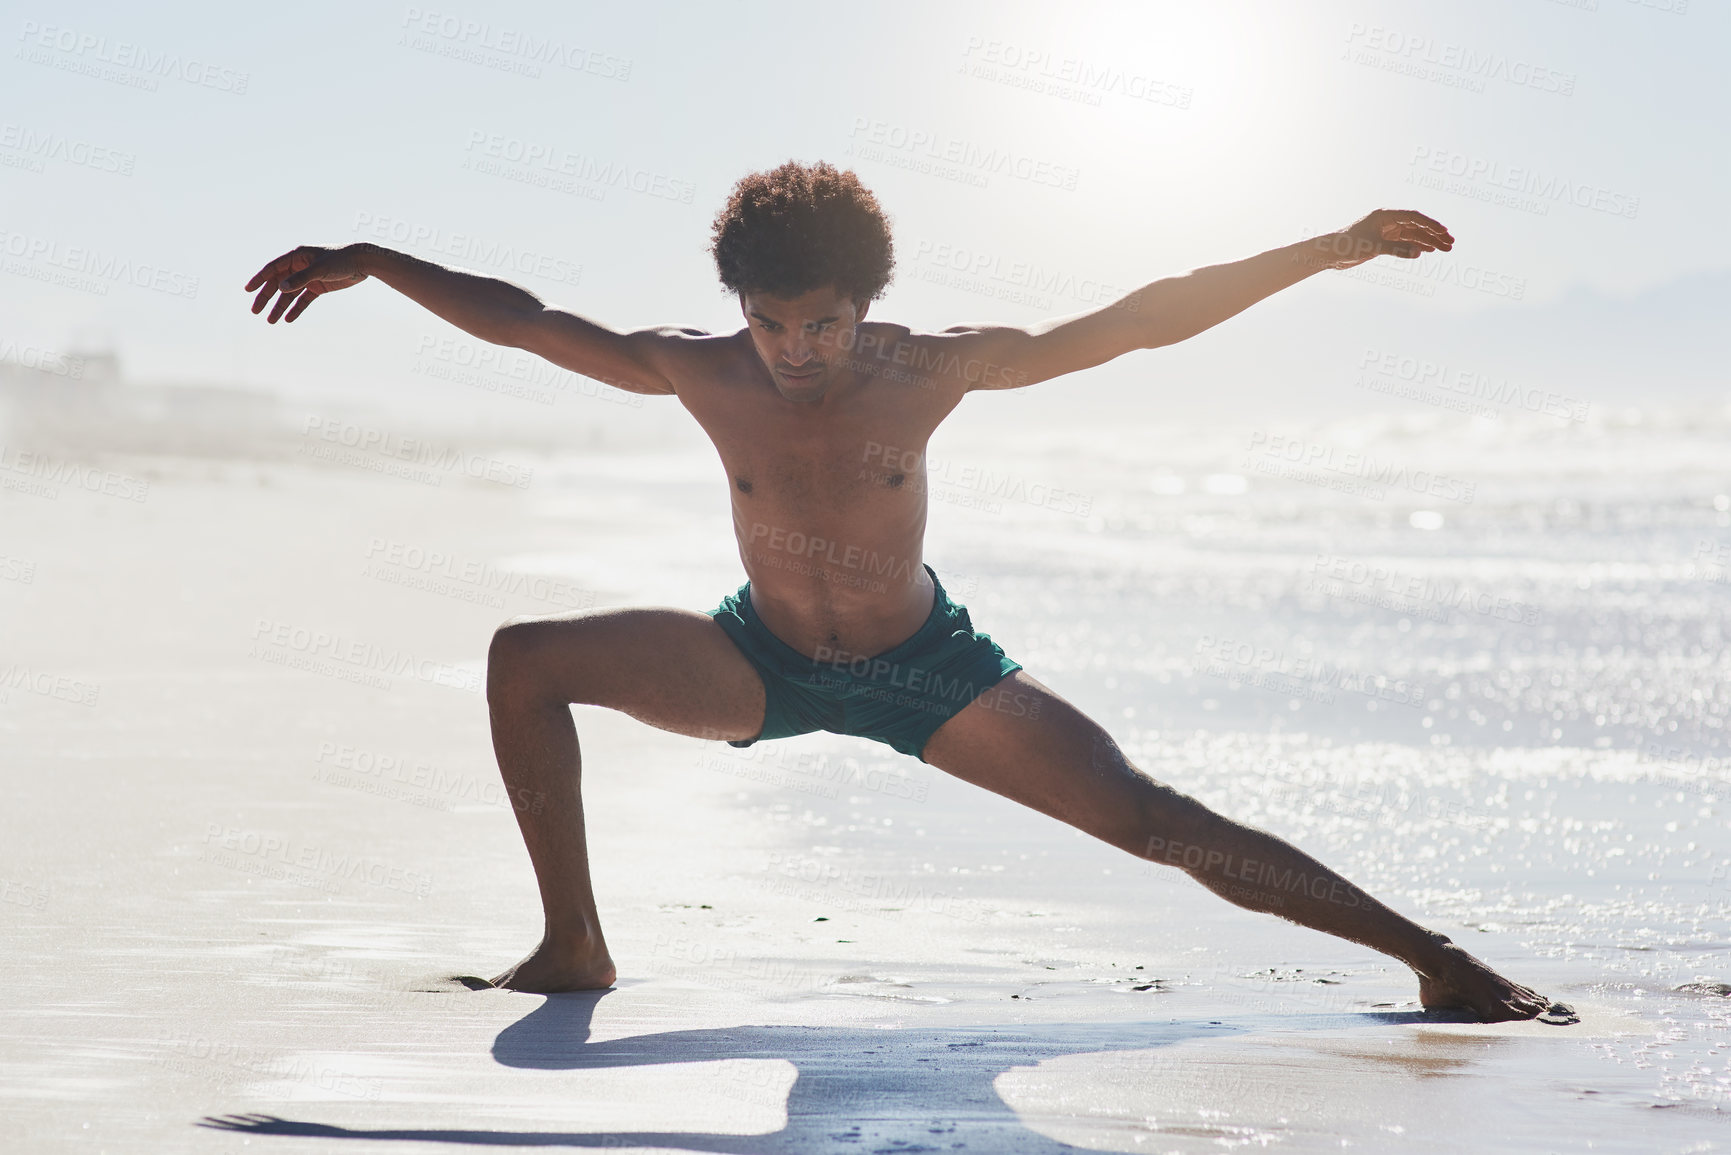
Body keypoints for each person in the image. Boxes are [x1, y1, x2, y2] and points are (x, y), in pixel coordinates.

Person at [245, 160, 1571, 1023]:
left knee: (1156, 823)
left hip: (928, 671)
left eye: (818, 323)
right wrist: (374, 257)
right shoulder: (704, 370)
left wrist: (1330, 245)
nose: (793, 351)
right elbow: (527, 320)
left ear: (868, 303)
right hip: (759, 659)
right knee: (524, 657)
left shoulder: (929, 370)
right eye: (769, 322)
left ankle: (1442, 963)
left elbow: (1139, 317)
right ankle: (573, 944)